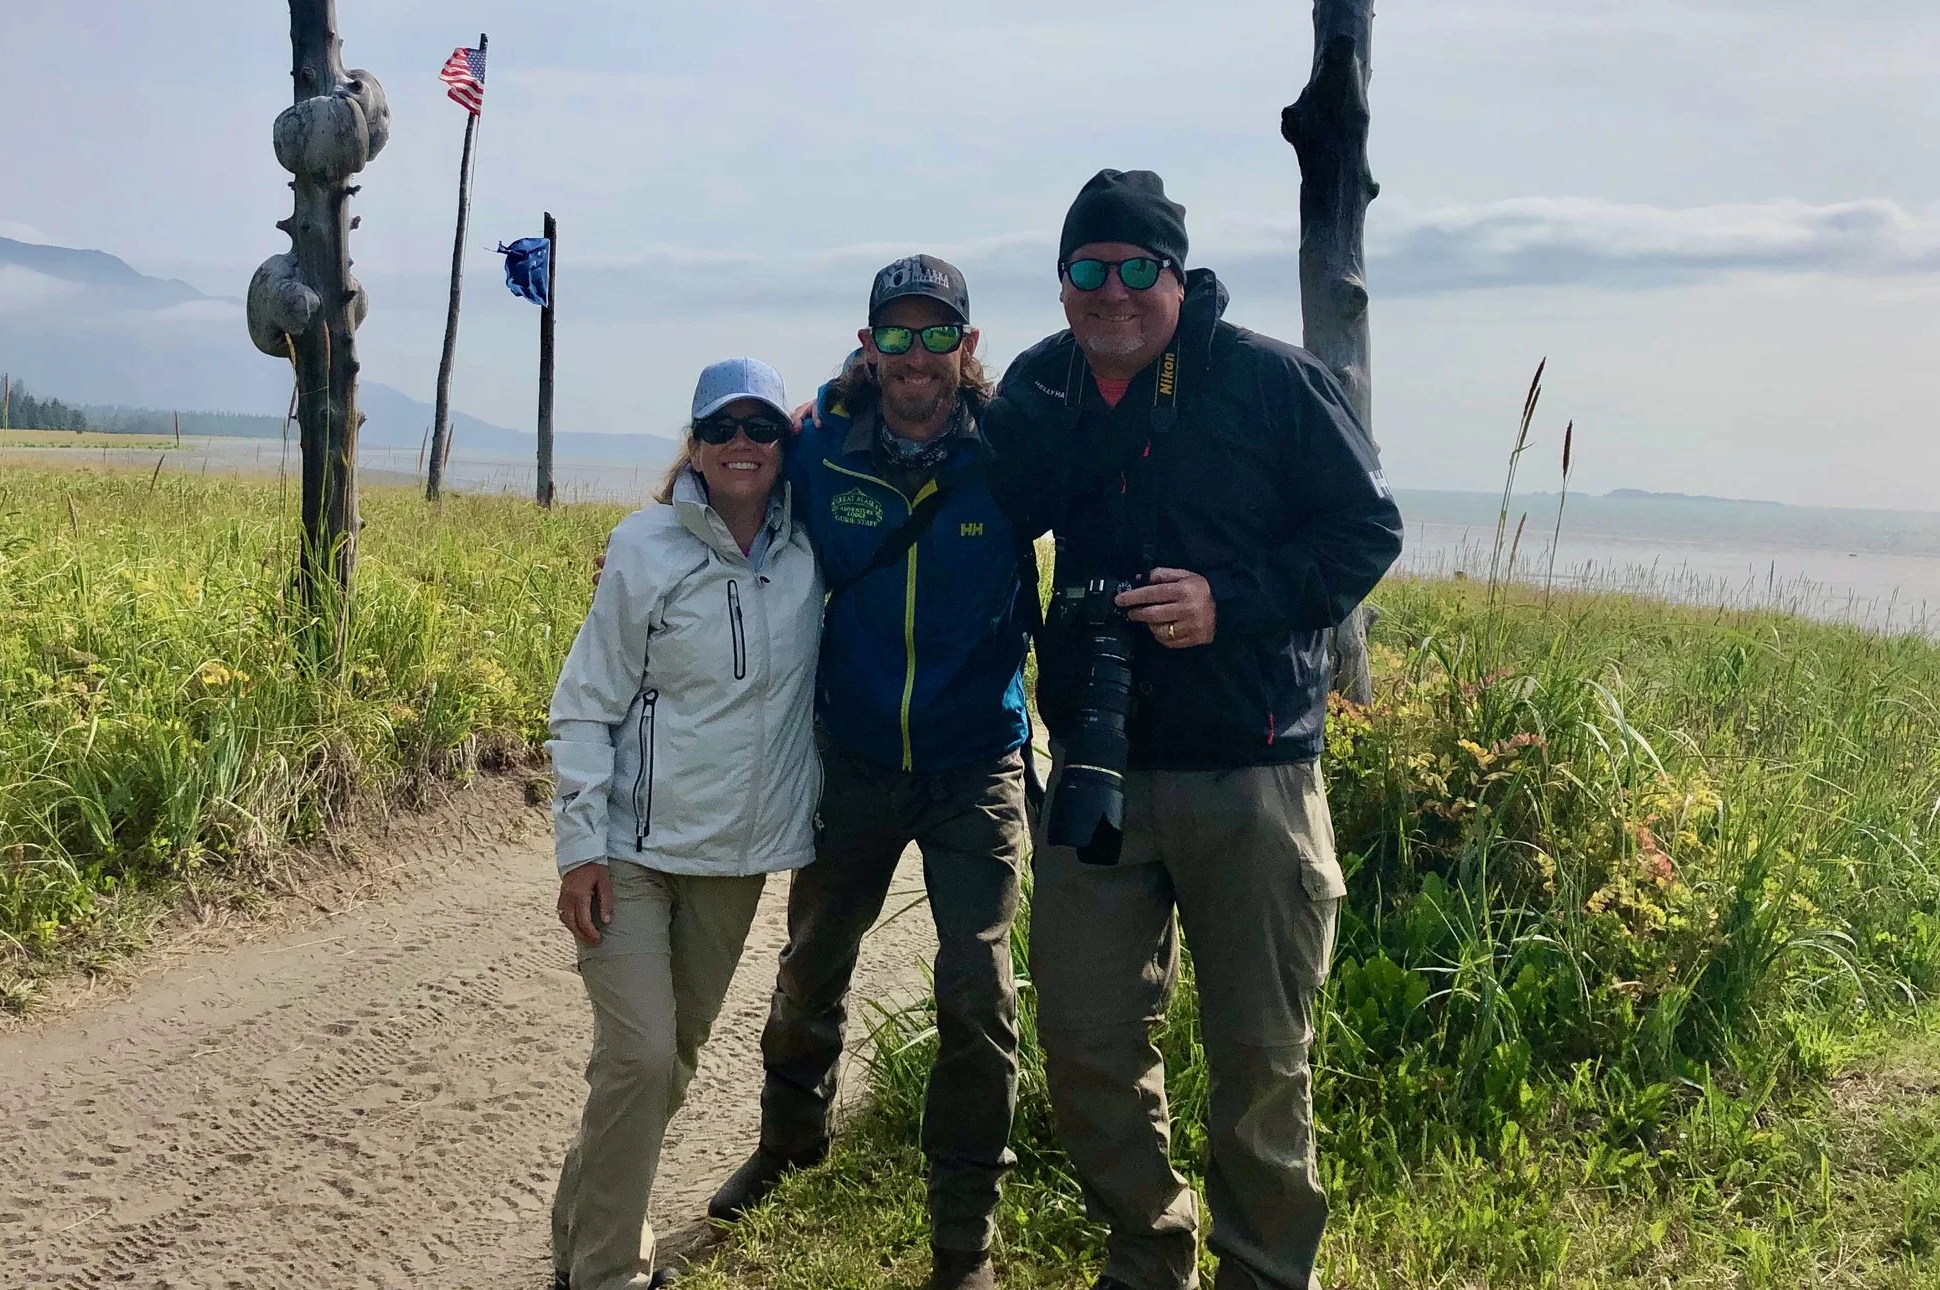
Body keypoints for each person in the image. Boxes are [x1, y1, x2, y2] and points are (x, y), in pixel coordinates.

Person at [981, 170, 1403, 1290]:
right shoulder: (1043, 388)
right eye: (1086, 269)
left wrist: (1230, 601)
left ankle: (1263, 1272)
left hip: (1252, 770)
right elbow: (966, 493)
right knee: (1081, 1045)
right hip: (1101, 774)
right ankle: (1148, 1247)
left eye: (1134, 268)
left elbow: (1367, 527)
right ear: (1062, 281)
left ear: (1175, 274)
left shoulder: (1267, 382)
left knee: (1262, 1063)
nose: (1110, 290)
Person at [709, 255, 1034, 1290]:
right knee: (812, 957)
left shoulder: (1013, 455)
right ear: (868, 347)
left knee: (978, 990)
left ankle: (962, 1238)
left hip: (974, 760)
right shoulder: (819, 450)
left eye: (936, 335)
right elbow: (730, 478)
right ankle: (790, 1139)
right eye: (894, 336)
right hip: (851, 752)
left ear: (966, 349)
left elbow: (1118, 480)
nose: (915, 356)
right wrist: (656, 538)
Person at [547, 357, 826, 1290]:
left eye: (762, 429)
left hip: (733, 859)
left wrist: (864, 366)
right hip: (628, 851)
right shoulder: (642, 547)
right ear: (695, 447)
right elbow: (585, 703)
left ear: (787, 446)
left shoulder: (812, 553)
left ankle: (578, 1236)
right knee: (636, 1054)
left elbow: (867, 414)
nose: (743, 444)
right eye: (722, 429)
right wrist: (580, 845)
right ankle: (606, 1275)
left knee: (668, 1064)